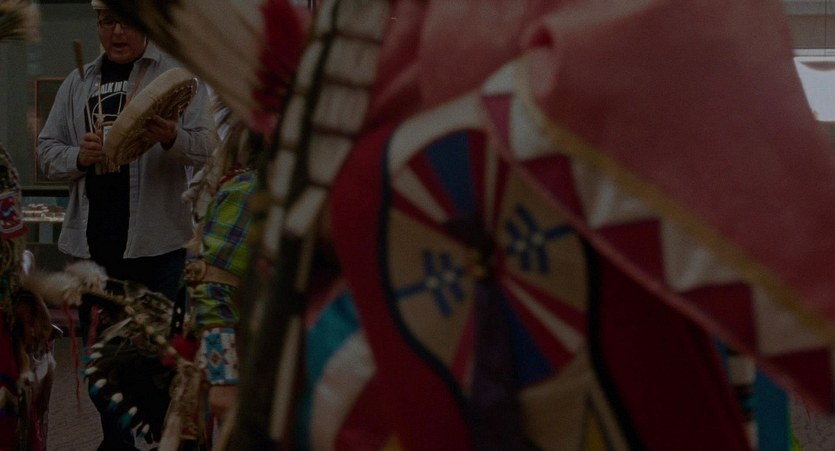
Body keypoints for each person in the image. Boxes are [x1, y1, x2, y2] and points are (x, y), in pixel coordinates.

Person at [36, 1, 214, 449]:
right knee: (101, 364)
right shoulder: (78, 82)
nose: (117, 32)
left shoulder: (178, 76)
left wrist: (171, 137)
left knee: (159, 364)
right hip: (94, 250)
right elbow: (46, 151)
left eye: (127, 22)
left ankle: (157, 442)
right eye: (107, 21)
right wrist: (79, 156)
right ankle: (118, 445)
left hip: (159, 247)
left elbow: (210, 147)